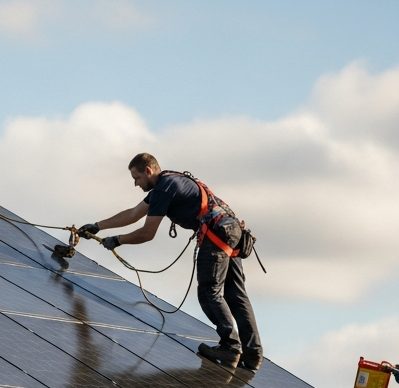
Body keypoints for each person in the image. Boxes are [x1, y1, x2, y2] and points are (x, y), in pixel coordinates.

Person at [79, 153, 262, 370]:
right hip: (230, 231)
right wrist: (98, 226)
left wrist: (117, 240)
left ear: (148, 170)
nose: (135, 184)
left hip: (216, 234)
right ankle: (252, 354)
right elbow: (133, 213)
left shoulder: (164, 188)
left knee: (208, 292)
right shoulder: (170, 182)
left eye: (136, 178)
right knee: (235, 295)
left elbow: (147, 233)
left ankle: (230, 347)